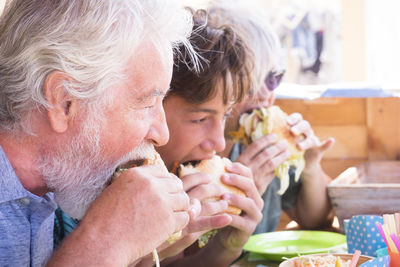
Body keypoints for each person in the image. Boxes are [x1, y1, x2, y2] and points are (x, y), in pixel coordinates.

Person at [0, 0, 199, 266]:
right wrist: (106, 242)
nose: (162, 134)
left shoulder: (53, 185)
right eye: (148, 104)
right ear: (64, 101)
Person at [134, 8, 263, 267]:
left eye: (225, 116)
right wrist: (143, 253)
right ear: (152, 108)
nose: (219, 143)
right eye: (200, 119)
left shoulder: (172, 179)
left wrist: (225, 248)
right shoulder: (102, 188)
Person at [208, 0, 335, 234]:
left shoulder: (261, 142)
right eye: (250, 83)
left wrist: (310, 166)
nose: (266, 94)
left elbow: (315, 220)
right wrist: (236, 189)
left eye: (273, 77)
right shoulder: (195, 156)